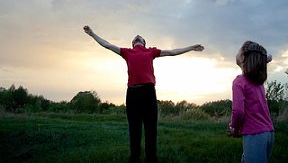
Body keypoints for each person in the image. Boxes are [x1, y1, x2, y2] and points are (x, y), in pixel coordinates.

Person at [83, 25, 204, 163]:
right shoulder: (127, 52)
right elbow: (107, 45)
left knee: (150, 127)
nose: (138, 35)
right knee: (134, 128)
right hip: (133, 93)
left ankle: (151, 158)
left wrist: (191, 47)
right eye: (136, 37)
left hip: (148, 92)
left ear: (144, 43)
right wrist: (92, 34)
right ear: (134, 43)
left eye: (140, 37)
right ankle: (135, 158)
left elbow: (172, 52)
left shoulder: (151, 52)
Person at [229, 41, 274, 163]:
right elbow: (267, 58)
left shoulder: (239, 82)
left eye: (238, 51)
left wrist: (234, 127)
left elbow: (238, 111)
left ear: (243, 57)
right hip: (269, 133)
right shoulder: (257, 80)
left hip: (255, 135)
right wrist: (265, 58)